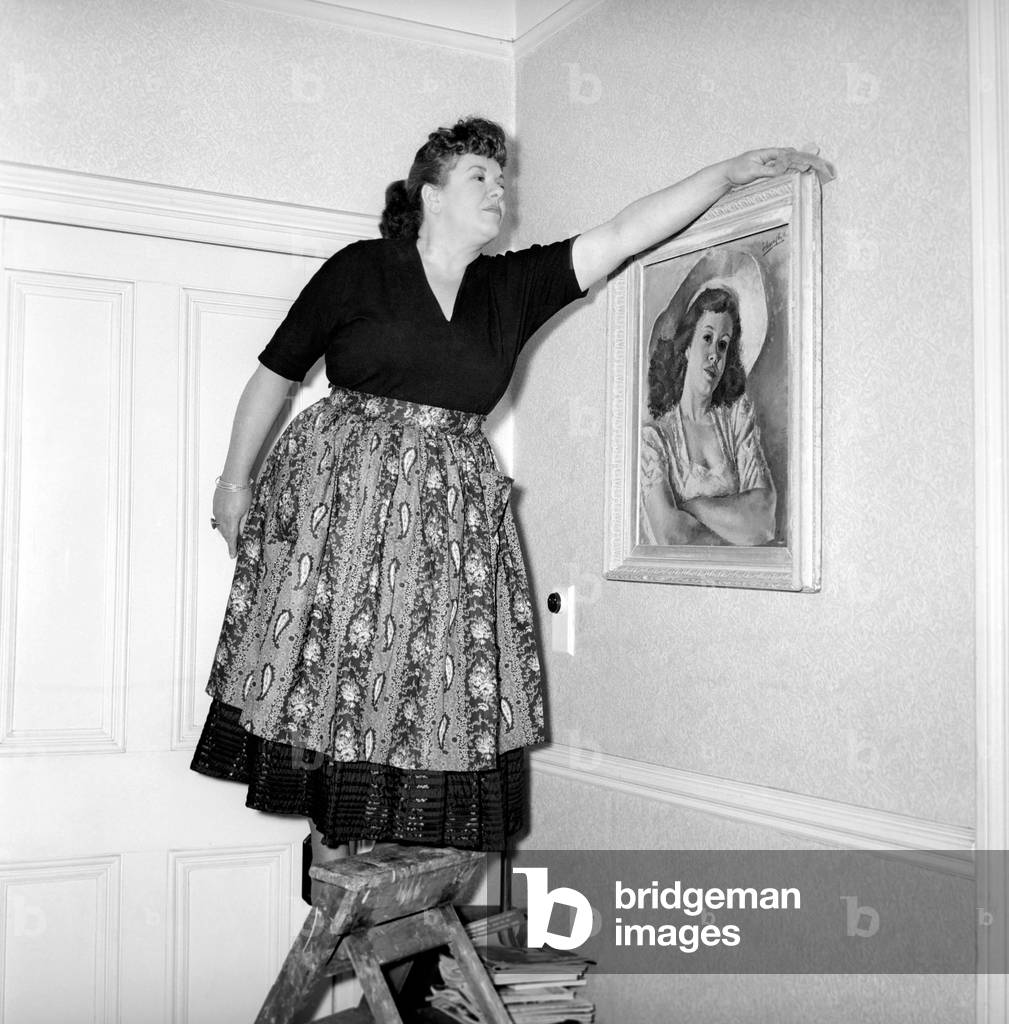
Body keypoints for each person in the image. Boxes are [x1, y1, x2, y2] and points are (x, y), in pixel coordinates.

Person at [190, 115, 831, 858]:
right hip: (345, 505)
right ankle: (332, 845)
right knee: (334, 665)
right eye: (479, 178)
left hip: (446, 521)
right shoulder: (360, 268)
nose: (499, 190)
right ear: (429, 193)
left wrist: (725, 173)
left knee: (429, 678)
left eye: (502, 179)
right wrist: (233, 484)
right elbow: (274, 375)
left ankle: (388, 876)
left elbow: (622, 234)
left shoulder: (512, 284)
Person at [640, 285, 777, 546]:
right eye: (707, 338)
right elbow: (672, 535)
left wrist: (691, 507)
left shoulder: (737, 420)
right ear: (687, 346)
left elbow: (763, 519)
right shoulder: (654, 439)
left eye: (723, 345)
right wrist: (739, 529)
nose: (715, 353)